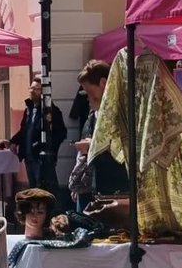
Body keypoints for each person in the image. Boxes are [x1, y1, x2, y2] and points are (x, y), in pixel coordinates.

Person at [70, 59, 129, 212]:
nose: (87, 98)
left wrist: (92, 147)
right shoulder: (93, 115)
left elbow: (125, 150)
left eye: (90, 92)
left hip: (117, 190)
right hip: (96, 189)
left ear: (103, 84)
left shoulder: (122, 113)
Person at [10, 76, 67, 187]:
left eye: (36, 89)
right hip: (28, 158)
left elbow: (61, 133)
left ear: (43, 91)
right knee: (33, 191)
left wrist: (49, 149)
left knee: (43, 190)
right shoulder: (29, 110)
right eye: (31, 88)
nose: (32, 91)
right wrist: (13, 141)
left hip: (41, 159)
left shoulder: (50, 110)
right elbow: (24, 131)